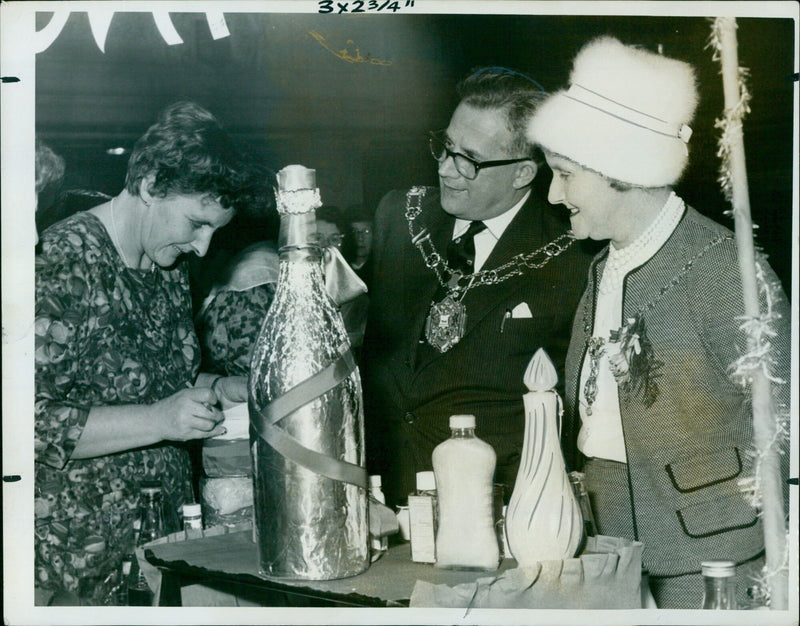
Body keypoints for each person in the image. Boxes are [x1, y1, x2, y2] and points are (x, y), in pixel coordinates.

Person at [526, 36, 791, 608]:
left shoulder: (726, 268)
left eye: (566, 174)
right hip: (608, 544)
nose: (553, 193)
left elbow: (786, 422)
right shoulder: (602, 267)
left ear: (619, 170)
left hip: (711, 558)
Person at [34, 101, 270, 605]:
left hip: (161, 539)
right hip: (76, 560)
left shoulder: (167, 268)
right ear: (148, 185)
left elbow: (157, 383)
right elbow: (27, 423)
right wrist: (161, 419)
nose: (204, 248)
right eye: (195, 223)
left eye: (216, 230)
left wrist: (217, 387)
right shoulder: (61, 259)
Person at [361, 67, 596, 508]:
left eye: (468, 158)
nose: (447, 170)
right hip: (383, 495)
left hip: (498, 505)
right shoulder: (397, 216)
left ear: (524, 172)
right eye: (445, 147)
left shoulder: (574, 254)